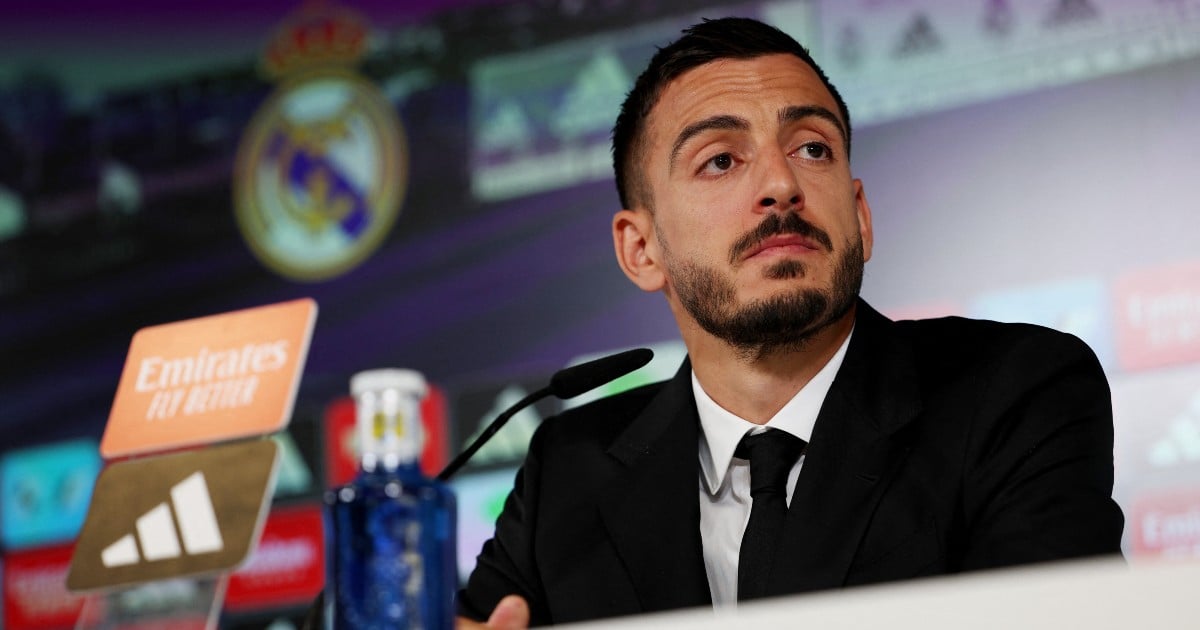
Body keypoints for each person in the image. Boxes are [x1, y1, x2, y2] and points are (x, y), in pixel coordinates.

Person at [457, 16, 1123, 628]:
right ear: (641, 249)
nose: (781, 184)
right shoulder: (567, 472)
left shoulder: (1014, 393)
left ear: (860, 216)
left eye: (812, 148)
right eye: (721, 160)